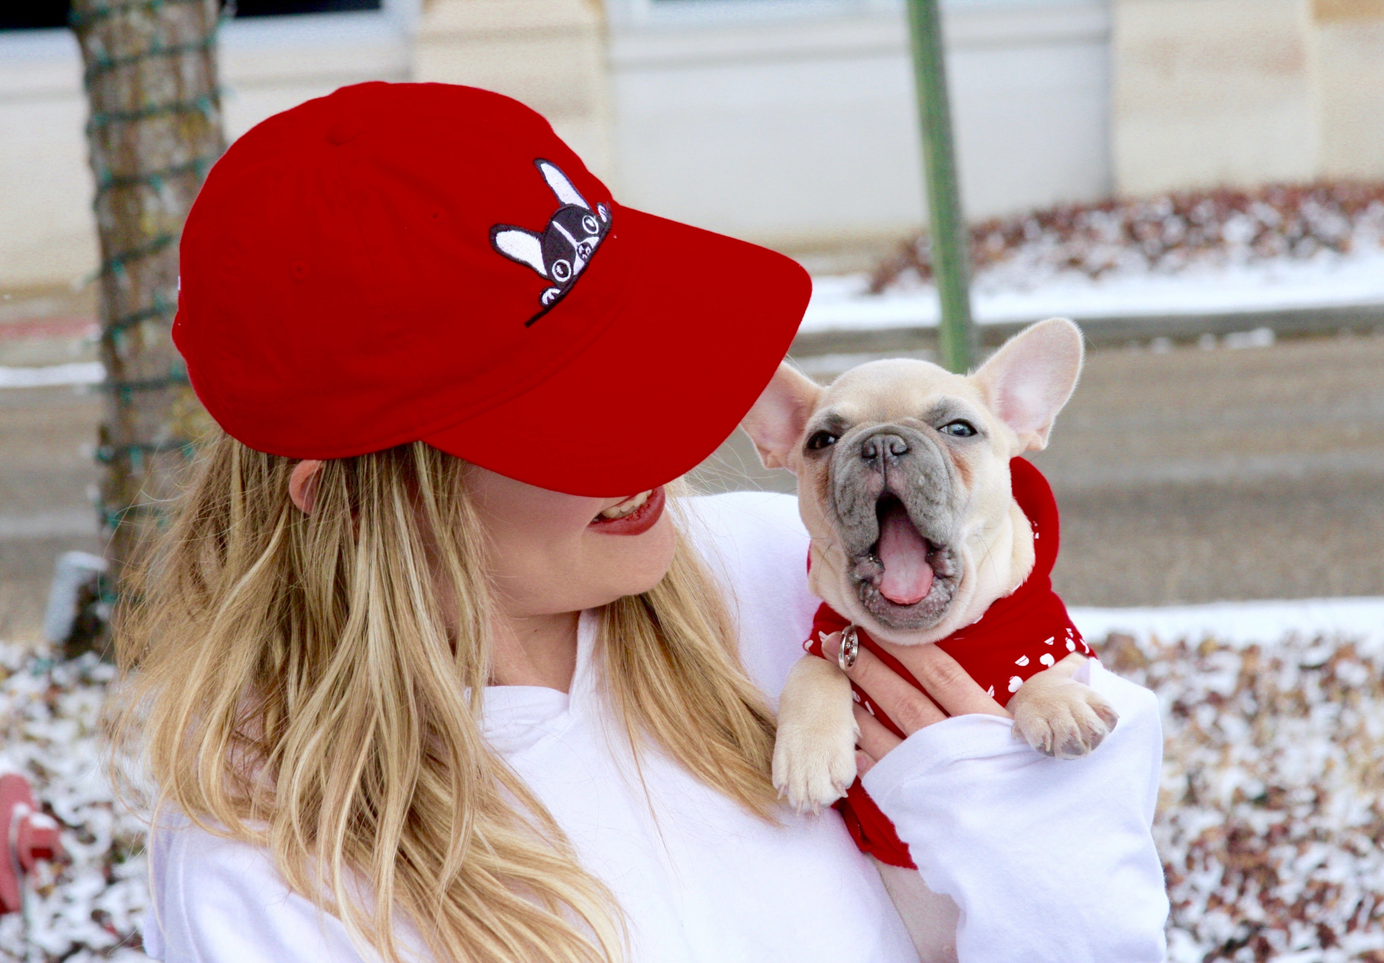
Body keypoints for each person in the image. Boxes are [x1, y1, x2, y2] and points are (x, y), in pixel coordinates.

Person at [114, 82, 1169, 963]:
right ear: (350, 500)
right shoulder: (272, 879)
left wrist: (1026, 839)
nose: (662, 450)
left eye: (638, 354)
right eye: (575, 419)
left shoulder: (786, 584)